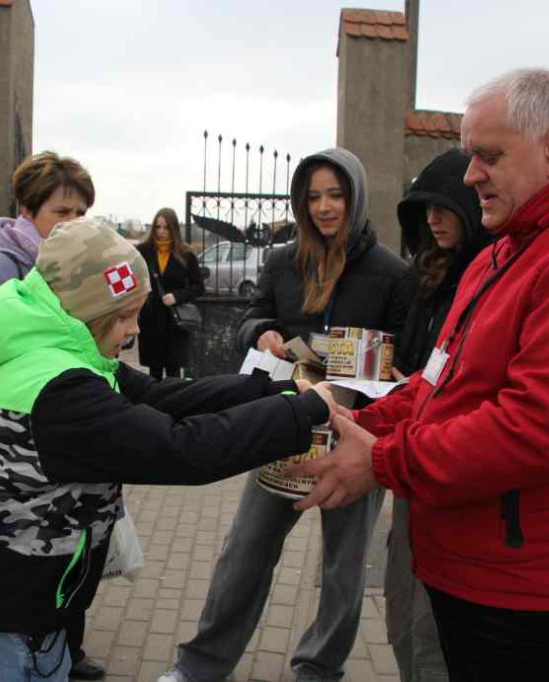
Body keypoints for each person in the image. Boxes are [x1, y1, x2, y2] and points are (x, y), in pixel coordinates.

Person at [289, 69, 549, 682]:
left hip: (546, 593)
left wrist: (384, 461)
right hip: (478, 571)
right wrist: (345, 422)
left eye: (487, 156)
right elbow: (439, 385)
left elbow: (534, 428)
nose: (470, 176)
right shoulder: (502, 252)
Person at [0, 217, 340, 682]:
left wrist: (268, 389)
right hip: (7, 612)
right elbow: (181, 450)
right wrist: (300, 415)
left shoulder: (63, 352)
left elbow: (156, 395)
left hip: (20, 594)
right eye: (123, 317)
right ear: (87, 311)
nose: (131, 332)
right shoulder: (61, 390)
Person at [165, 148, 416, 682]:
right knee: (245, 551)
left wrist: (381, 377)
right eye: (314, 196)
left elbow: (406, 364)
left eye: (336, 194)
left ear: (356, 197)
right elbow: (250, 317)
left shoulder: (393, 273)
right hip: (282, 426)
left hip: (355, 440)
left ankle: (318, 670)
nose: (325, 207)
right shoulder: (283, 261)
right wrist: (262, 332)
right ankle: (201, 665)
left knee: (343, 569)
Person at [0, 150, 105, 680]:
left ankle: (66, 647)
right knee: (28, 554)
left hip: (70, 445)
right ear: (27, 210)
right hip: (19, 451)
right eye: (62, 211)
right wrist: (45, 402)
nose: (73, 222)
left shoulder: (75, 273)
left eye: (82, 212)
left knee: (72, 544)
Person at [386, 148, 492, 682]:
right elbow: (413, 364)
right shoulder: (419, 280)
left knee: (431, 631)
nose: (433, 219)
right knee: (400, 613)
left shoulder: (489, 280)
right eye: (424, 209)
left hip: (450, 472)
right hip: (410, 460)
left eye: (445, 207)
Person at [136, 208, 204, 380]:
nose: (161, 232)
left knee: (174, 372)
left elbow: (198, 287)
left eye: (166, 228)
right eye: (158, 227)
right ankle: (154, 403)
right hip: (151, 319)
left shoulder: (186, 254)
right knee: (154, 371)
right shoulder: (143, 251)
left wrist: (177, 296)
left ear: (173, 228)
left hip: (175, 321)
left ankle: (175, 405)